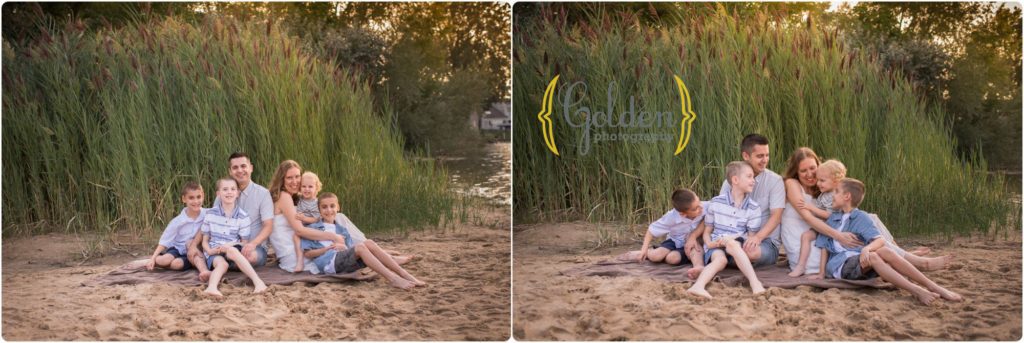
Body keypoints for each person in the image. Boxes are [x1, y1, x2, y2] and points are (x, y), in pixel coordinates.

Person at [779, 147, 950, 275]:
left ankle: (901, 254)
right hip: (811, 235)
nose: (810, 174)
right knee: (860, 232)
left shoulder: (822, 186)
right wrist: (838, 235)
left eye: (812, 168)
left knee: (869, 218)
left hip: (826, 227)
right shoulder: (792, 184)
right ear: (796, 171)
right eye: (803, 170)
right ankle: (914, 261)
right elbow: (810, 219)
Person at [810, 179, 962, 305]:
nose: (832, 196)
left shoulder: (861, 217)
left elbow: (879, 239)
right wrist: (822, 272)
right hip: (840, 265)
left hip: (860, 260)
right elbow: (824, 246)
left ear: (847, 197)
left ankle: (933, 286)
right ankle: (916, 290)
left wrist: (866, 249)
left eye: (836, 192)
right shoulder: (832, 219)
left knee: (885, 251)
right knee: (875, 257)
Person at [301, 192, 425, 289]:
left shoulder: (341, 229)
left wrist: (343, 246)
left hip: (343, 260)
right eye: (324, 207)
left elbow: (349, 250)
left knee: (369, 243)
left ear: (338, 207)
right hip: (329, 263)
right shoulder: (313, 229)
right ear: (319, 210)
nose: (329, 210)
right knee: (360, 247)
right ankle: (393, 279)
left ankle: (404, 274)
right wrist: (327, 248)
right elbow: (307, 253)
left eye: (332, 206)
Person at [687, 162, 766, 298]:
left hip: (737, 244)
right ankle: (698, 286)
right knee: (720, 260)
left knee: (731, 244)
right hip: (716, 243)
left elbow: (750, 236)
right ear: (735, 180)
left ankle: (755, 283)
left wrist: (732, 239)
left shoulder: (754, 208)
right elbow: (707, 231)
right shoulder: (716, 203)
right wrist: (710, 244)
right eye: (749, 177)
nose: (754, 181)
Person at [267, 160, 347, 273]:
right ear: (282, 180)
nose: (294, 181)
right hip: (295, 252)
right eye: (289, 178)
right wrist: (333, 236)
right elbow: (299, 231)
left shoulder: (293, 197)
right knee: (339, 218)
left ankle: (359, 247)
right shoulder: (284, 197)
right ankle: (358, 246)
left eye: (297, 176)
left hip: (301, 245)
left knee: (338, 217)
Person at [718, 134, 784, 268]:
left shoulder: (775, 181)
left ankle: (729, 258)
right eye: (760, 156)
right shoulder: (731, 181)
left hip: (765, 242)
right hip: (734, 238)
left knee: (749, 253)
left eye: (767, 155)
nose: (765, 160)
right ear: (746, 156)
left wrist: (757, 238)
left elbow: (776, 217)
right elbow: (721, 211)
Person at [201, 177, 268, 297]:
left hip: (232, 250)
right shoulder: (210, 214)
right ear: (218, 194)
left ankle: (258, 282)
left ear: (237, 193)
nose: (229, 192)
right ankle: (212, 288)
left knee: (232, 251)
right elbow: (205, 239)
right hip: (214, 251)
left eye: (232, 189)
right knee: (222, 264)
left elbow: (243, 243)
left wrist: (229, 245)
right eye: (225, 189)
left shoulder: (243, 217)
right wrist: (209, 250)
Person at [216, 152, 276, 268]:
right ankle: (228, 262)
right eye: (235, 167)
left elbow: (268, 226)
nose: (240, 170)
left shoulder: (263, 194)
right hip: (226, 246)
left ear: (251, 168)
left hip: (254, 248)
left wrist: (253, 244)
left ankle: (229, 263)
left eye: (243, 166)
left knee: (250, 257)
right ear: (230, 171)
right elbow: (213, 220)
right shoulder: (223, 193)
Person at [788, 159, 845, 276]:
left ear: (836, 181)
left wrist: (811, 208)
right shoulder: (824, 194)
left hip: (833, 226)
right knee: (806, 236)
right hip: (822, 226)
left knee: (824, 247)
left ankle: (821, 271)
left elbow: (831, 215)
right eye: (818, 180)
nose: (818, 183)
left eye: (822, 181)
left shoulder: (834, 196)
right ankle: (801, 266)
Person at [638, 189, 706, 275]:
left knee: (673, 259)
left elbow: (709, 218)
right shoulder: (671, 217)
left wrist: (694, 236)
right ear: (683, 214)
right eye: (695, 208)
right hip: (674, 240)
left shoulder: (706, 207)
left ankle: (699, 266)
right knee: (655, 256)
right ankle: (647, 252)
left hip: (693, 242)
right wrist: (644, 249)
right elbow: (651, 230)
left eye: (699, 202)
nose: (701, 208)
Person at [146, 181, 207, 273]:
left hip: (193, 251)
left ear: (203, 196)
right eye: (191, 198)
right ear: (184, 199)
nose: (196, 201)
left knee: (177, 264)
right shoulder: (178, 221)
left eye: (198, 197)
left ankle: (173, 264)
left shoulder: (207, 214)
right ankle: (152, 260)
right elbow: (165, 241)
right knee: (164, 260)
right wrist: (153, 257)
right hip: (177, 248)